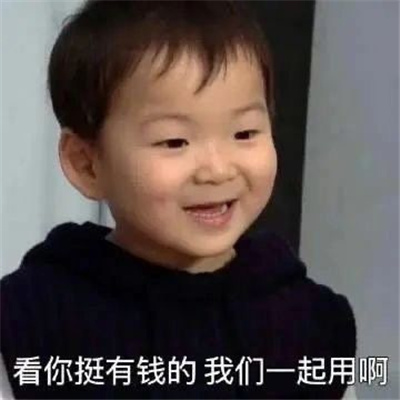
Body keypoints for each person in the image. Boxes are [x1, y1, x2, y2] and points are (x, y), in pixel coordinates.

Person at [0, 1, 357, 398]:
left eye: (244, 133)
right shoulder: (35, 317)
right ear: (87, 164)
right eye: (174, 141)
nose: (217, 170)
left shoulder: (311, 321)